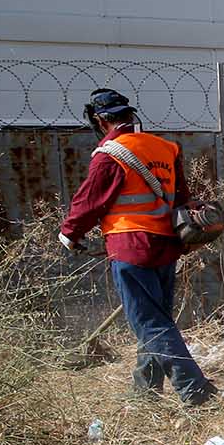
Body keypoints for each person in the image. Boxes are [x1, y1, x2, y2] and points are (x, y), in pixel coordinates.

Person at [59, 88, 216, 405]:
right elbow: (182, 196)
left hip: (131, 247)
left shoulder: (110, 155)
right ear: (130, 116)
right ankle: (146, 391)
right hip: (166, 246)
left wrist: (69, 233)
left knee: (149, 323)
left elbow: (90, 201)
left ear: (101, 120)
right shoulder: (165, 148)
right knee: (157, 319)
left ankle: (195, 389)